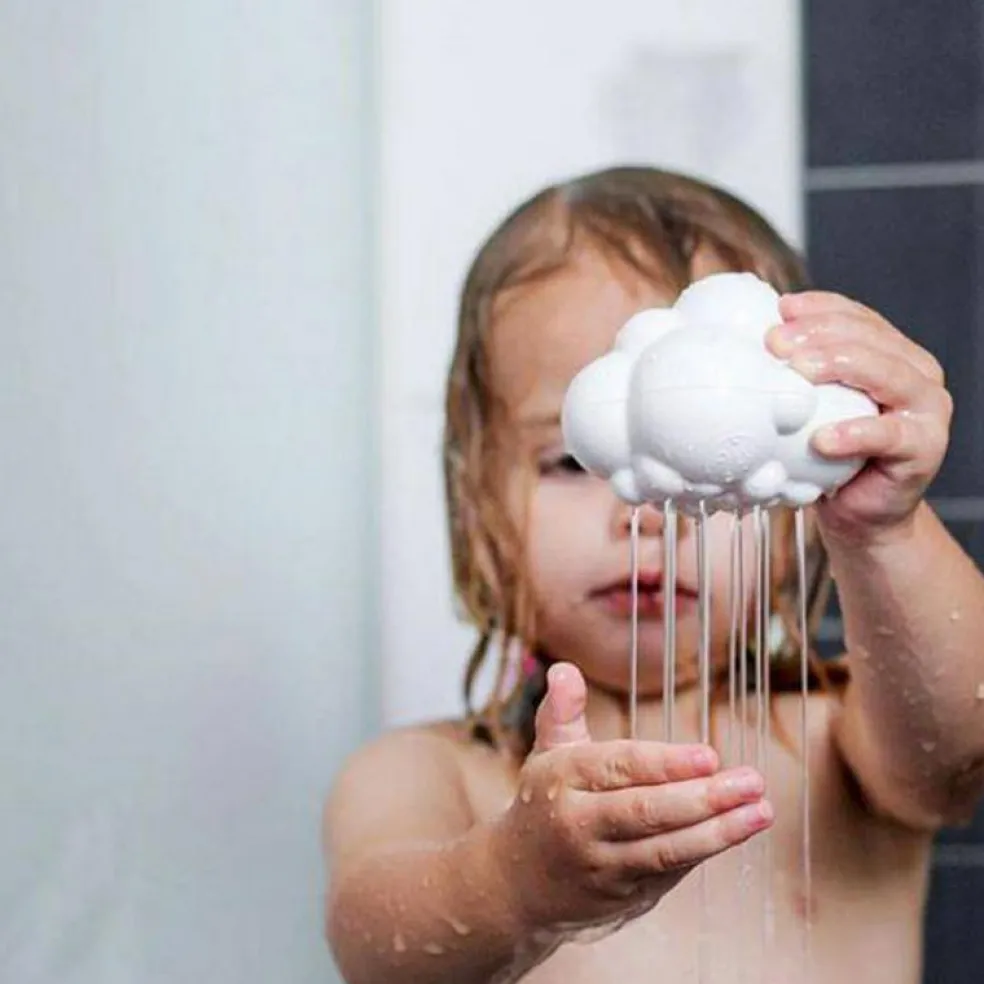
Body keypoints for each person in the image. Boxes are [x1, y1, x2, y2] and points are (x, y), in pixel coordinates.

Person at [322, 166, 984, 983]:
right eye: (571, 458)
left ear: (799, 502)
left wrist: (886, 527)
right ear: (476, 498)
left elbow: (956, 759)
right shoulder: (437, 774)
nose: (644, 514)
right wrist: (511, 883)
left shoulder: (848, 741)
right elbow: (377, 953)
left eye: (714, 468)